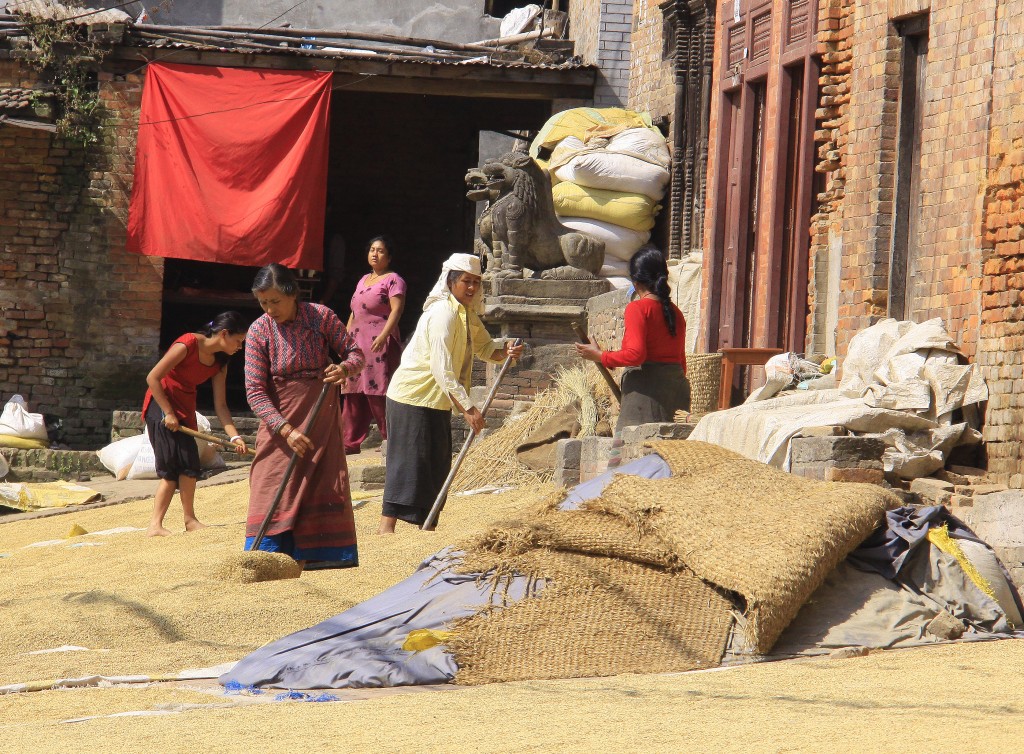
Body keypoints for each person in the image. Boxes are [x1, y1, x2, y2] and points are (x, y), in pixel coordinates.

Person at [380, 253, 524, 533]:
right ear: (451, 282)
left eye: (475, 282)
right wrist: (469, 409)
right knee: (407, 464)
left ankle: (427, 526)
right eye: (465, 282)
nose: (471, 288)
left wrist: (506, 352)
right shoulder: (442, 313)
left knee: (435, 466)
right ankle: (386, 530)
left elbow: (485, 348)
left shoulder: (466, 313)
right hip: (411, 396)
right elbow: (442, 367)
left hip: (436, 401)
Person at [244, 263, 365, 568]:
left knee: (321, 480)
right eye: (263, 303)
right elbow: (255, 391)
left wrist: (343, 369)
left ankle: (319, 555)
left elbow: (356, 354)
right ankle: (266, 555)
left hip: (320, 415)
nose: (270, 309)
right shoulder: (259, 331)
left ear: (293, 295)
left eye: (275, 302)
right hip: (279, 421)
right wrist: (285, 429)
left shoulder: (320, 316)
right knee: (268, 480)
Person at [143, 311, 249, 537]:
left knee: (190, 465)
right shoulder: (187, 343)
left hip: (185, 409)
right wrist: (169, 413)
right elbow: (153, 377)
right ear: (224, 334)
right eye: (238, 341)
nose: (240, 347)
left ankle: (190, 520)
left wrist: (235, 437)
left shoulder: (221, 362)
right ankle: (155, 525)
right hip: (161, 407)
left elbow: (221, 405)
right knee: (171, 468)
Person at [576, 245, 689, 432]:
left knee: (626, 458)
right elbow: (680, 363)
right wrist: (631, 396)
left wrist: (600, 356)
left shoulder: (637, 309)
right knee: (668, 459)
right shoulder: (676, 313)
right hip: (676, 395)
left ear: (635, 281)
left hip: (647, 394)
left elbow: (635, 355)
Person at [342, 236, 407, 454]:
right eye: (371, 250)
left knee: (377, 391)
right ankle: (349, 442)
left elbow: (396, 311)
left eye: (380, 251)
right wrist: (344, 339)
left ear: (388, 257)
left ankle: (391, 439)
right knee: (353, 390)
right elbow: (354, 312)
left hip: (379, 342)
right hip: (357, 342)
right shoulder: (362, 280)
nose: (374, 254)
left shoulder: (394, 280)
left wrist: (383, 336)